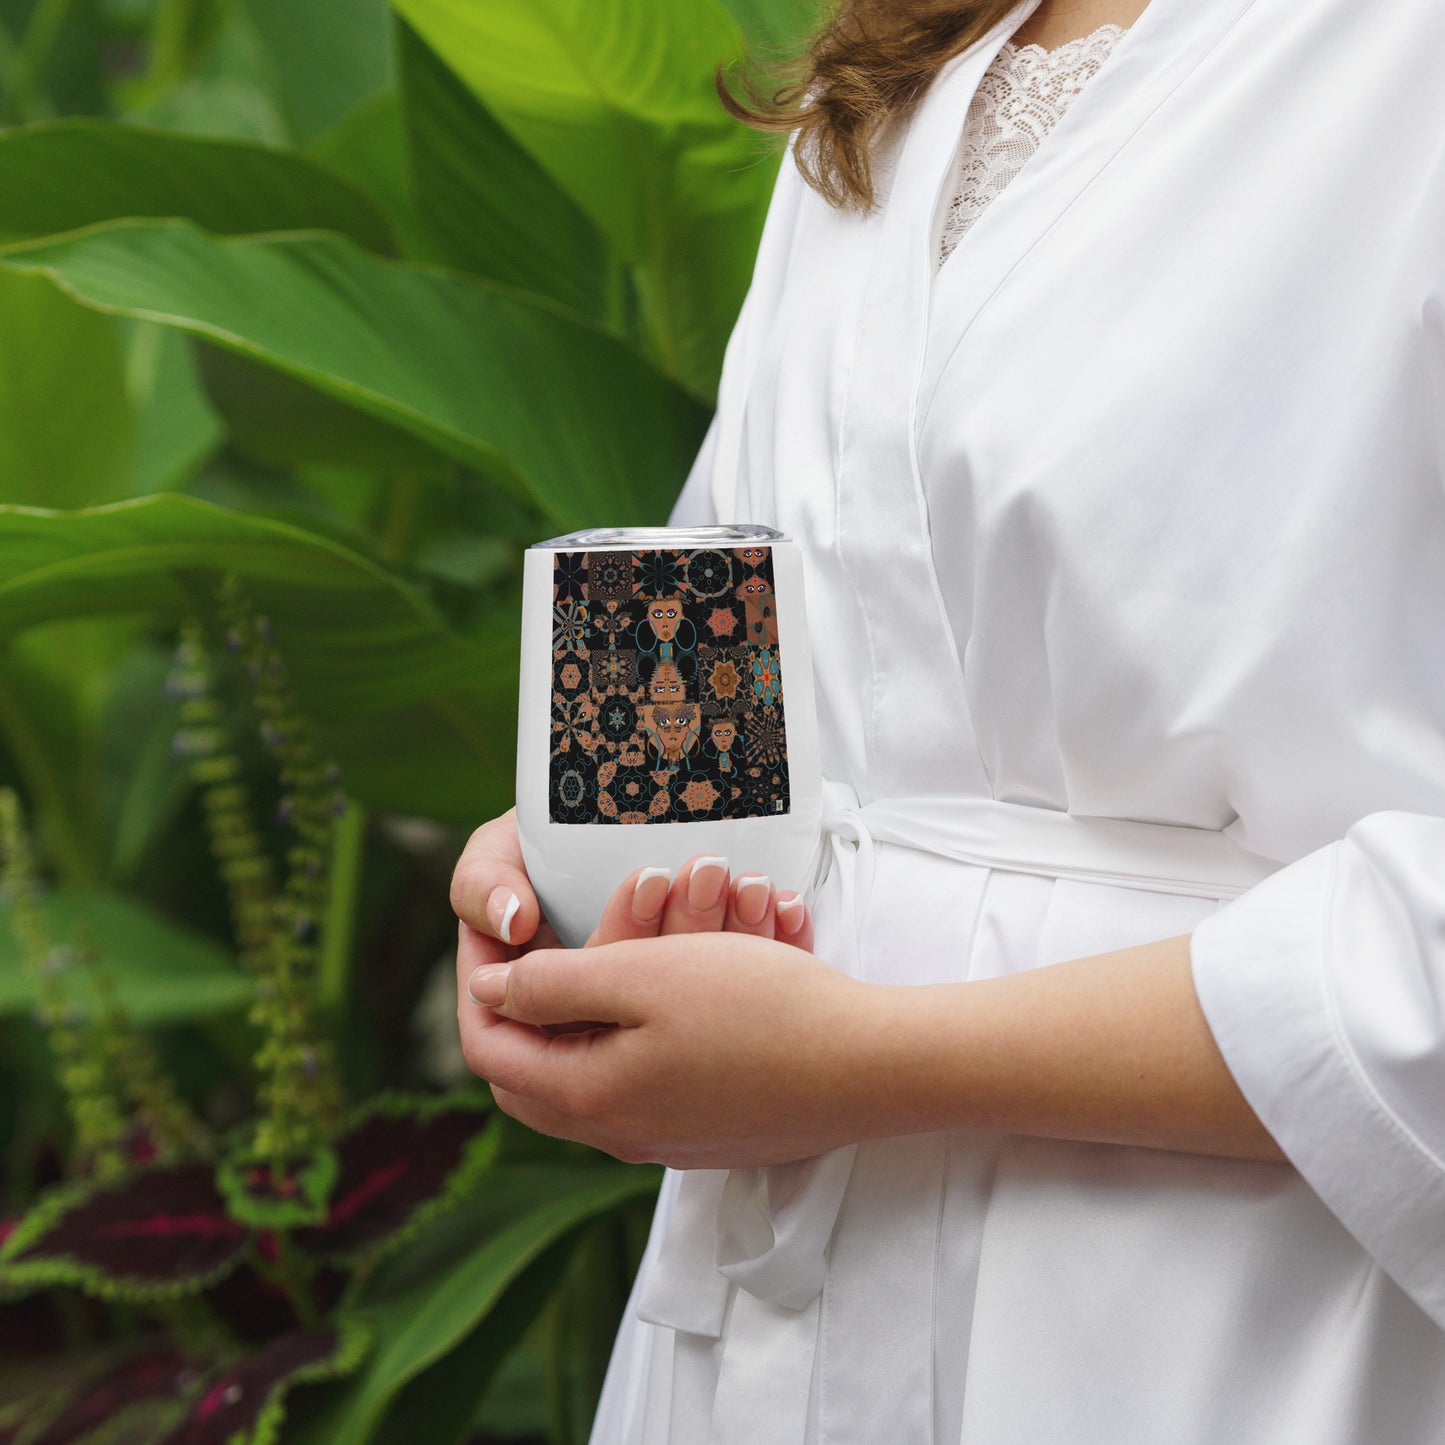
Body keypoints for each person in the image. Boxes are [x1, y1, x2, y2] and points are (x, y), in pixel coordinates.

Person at [451, 0, 1445, 1438]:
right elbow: (779, 625)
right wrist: (575, 863)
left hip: (1231, 1315)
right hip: (777, 1312)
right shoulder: (902, 56)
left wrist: (863, 1059)